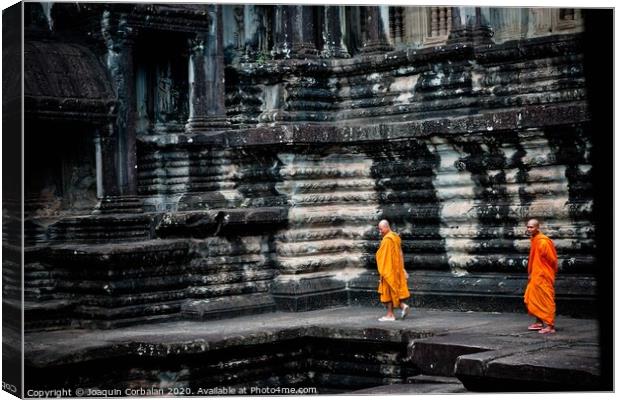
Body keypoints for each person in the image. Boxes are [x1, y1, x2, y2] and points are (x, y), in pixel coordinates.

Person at [524, 219, 558, 334]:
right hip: (536, 274)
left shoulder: (543, 241)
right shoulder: (535, 239)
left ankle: (550, 325)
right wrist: (532, 272)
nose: (529, 229)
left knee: (545, 298)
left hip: (543, 274)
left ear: (537, 228)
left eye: (531, 227)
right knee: (533, 296)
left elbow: (552, 259)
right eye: (528, 227)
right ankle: (539, 322)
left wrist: (544, 271)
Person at [375, 220, 410, 321]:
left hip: (388, 270)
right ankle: (402, 307)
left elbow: (382, 257)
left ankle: (390, 315)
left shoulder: (387, 240)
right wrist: (402, 268)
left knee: (387, 293)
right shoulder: (396, 237)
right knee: (393, 291)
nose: (380, 232)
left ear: (386, 227)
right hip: (396, 269)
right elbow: (400, 254)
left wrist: (383, 271)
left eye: (381, 229)